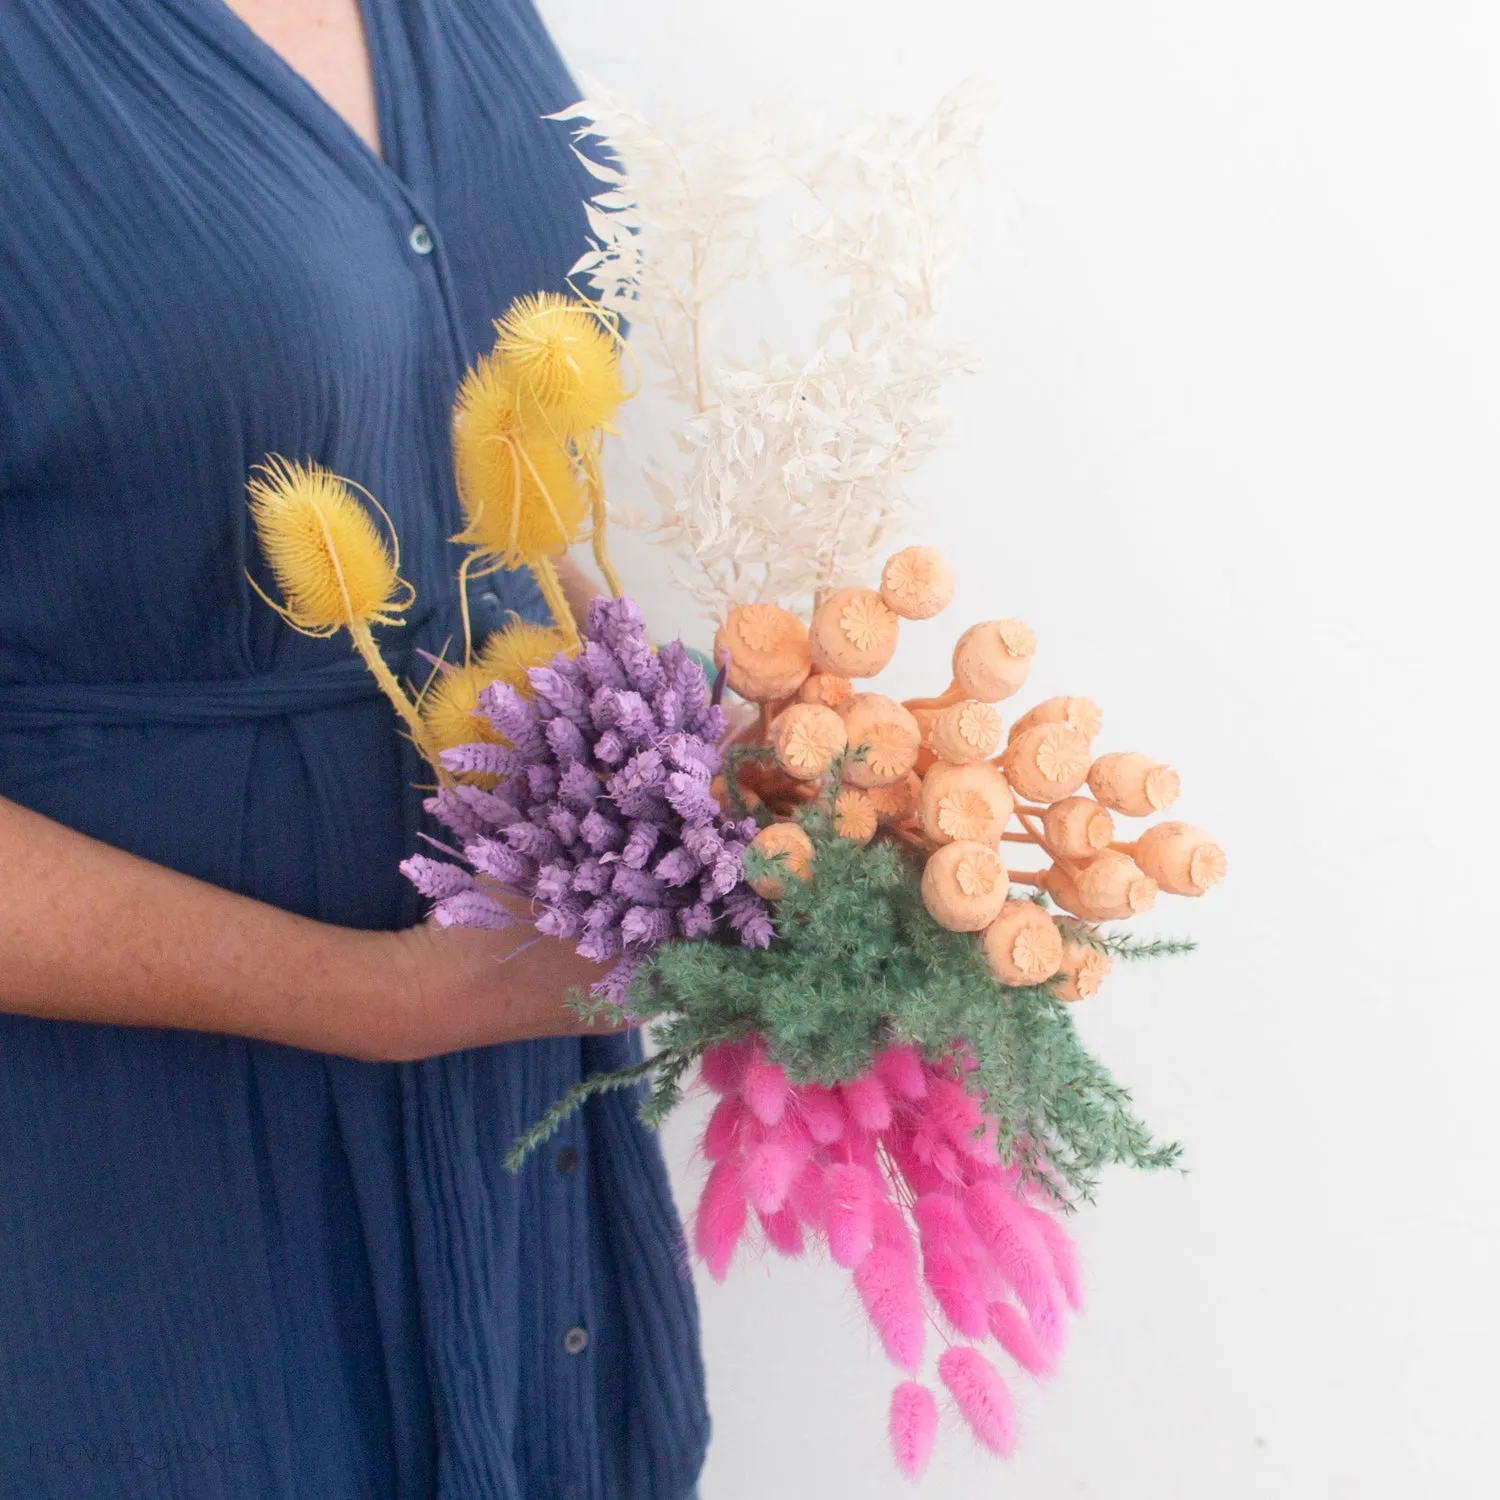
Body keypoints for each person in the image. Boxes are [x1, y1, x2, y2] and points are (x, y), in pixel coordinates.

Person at [0, 2, 708, 1496]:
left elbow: (486, 435)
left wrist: (674, 758)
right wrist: (374, 1000)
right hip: (139, 1172)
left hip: (516, 1108)